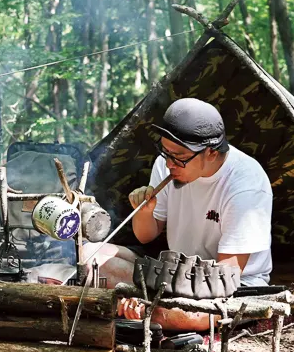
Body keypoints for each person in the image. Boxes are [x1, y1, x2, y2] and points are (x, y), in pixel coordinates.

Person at [83, 98, 273, 331]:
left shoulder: (246, 183)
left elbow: (226, 276)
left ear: (211, 153)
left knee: (186, 316)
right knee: (88, 255)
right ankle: (147, 311)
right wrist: (144, 211)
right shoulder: (167, 162)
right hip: (173, 273)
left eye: (179, 157)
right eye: (166, 152)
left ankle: (145, 311)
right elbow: (145, 236)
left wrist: (154, 297)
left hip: (230, 286)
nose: (170, 164)